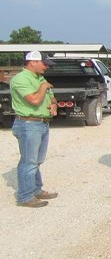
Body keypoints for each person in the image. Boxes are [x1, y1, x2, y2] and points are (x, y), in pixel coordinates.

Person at [10, 51, 59, 208]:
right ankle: (25, 196)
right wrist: (44, 87)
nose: (47, 67)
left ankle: (36, 189)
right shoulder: (20, 79)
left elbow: (52, 95)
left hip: (41, 123)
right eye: (44, 64)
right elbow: (35, 100)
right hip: (28, 124)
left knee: (37, 161)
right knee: (28, 161)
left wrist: (54, 103)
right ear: (32, 62)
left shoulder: (39, 77)